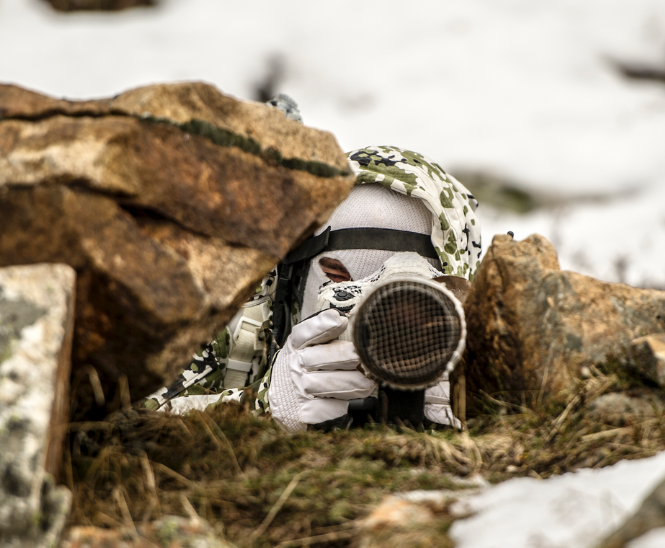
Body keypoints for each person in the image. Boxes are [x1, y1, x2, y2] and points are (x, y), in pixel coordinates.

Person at [145, 145, 482, 432]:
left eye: (411, 295)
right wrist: (264, 406)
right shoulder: (234, 336)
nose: (370, 313)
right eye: (338, 279)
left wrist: (480, 398)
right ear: (289, 287)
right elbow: (116, 429)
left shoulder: (484, 345)